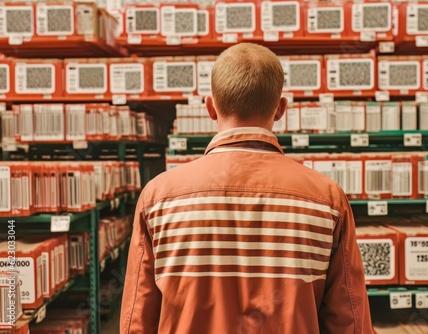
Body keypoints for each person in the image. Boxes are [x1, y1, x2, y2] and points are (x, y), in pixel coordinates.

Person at [120, 43, 372, 334]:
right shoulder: (327, 200)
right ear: (280, 109)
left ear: (210, 107)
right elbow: (351, 322)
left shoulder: (158, 198)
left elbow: (136, 322)